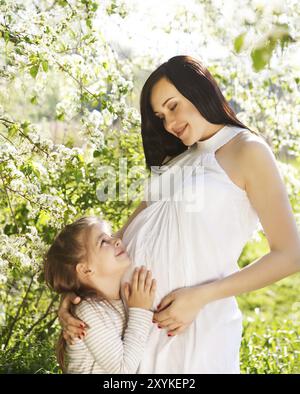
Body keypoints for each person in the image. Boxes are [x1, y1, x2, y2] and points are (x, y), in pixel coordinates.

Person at [58, 55, 300, 373]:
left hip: (194, 332)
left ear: (200, 90)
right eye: (160, 117)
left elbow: (291, 255)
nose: (169, 124)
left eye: (172, 106)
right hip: (136, 337)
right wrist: (76, 298)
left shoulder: (247, 151)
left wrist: (200, 296)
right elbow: (116, 240)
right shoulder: (175, 164)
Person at [44, 216, 157, 373]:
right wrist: (140, 309)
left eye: (110, 237)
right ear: (85, 270)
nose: (117, 240)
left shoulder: (116, 300)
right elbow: (121, 370)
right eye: (103, 242)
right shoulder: (87, 310)